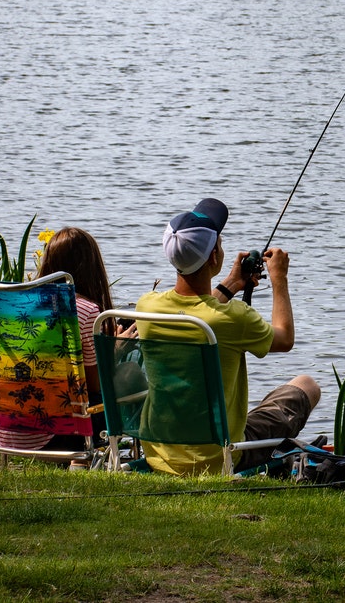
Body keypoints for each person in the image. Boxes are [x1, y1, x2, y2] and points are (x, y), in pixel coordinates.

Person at [135, 198, 321, 475]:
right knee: (306, 385)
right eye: (219, 243)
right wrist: (279, 278)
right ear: (213, 258)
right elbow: (284, 339)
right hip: (218, 456)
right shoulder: (234, 317)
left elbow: (199, 313)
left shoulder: (147, 307)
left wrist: (232, 283)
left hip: (160, 453)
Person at [0, 226, 115, 451]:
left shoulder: (16, 305)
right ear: (92, 268)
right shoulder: (85, 311)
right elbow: (94, 386)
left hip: (6, 430)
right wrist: (114, 350)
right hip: (55, 435)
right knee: (122, 383)